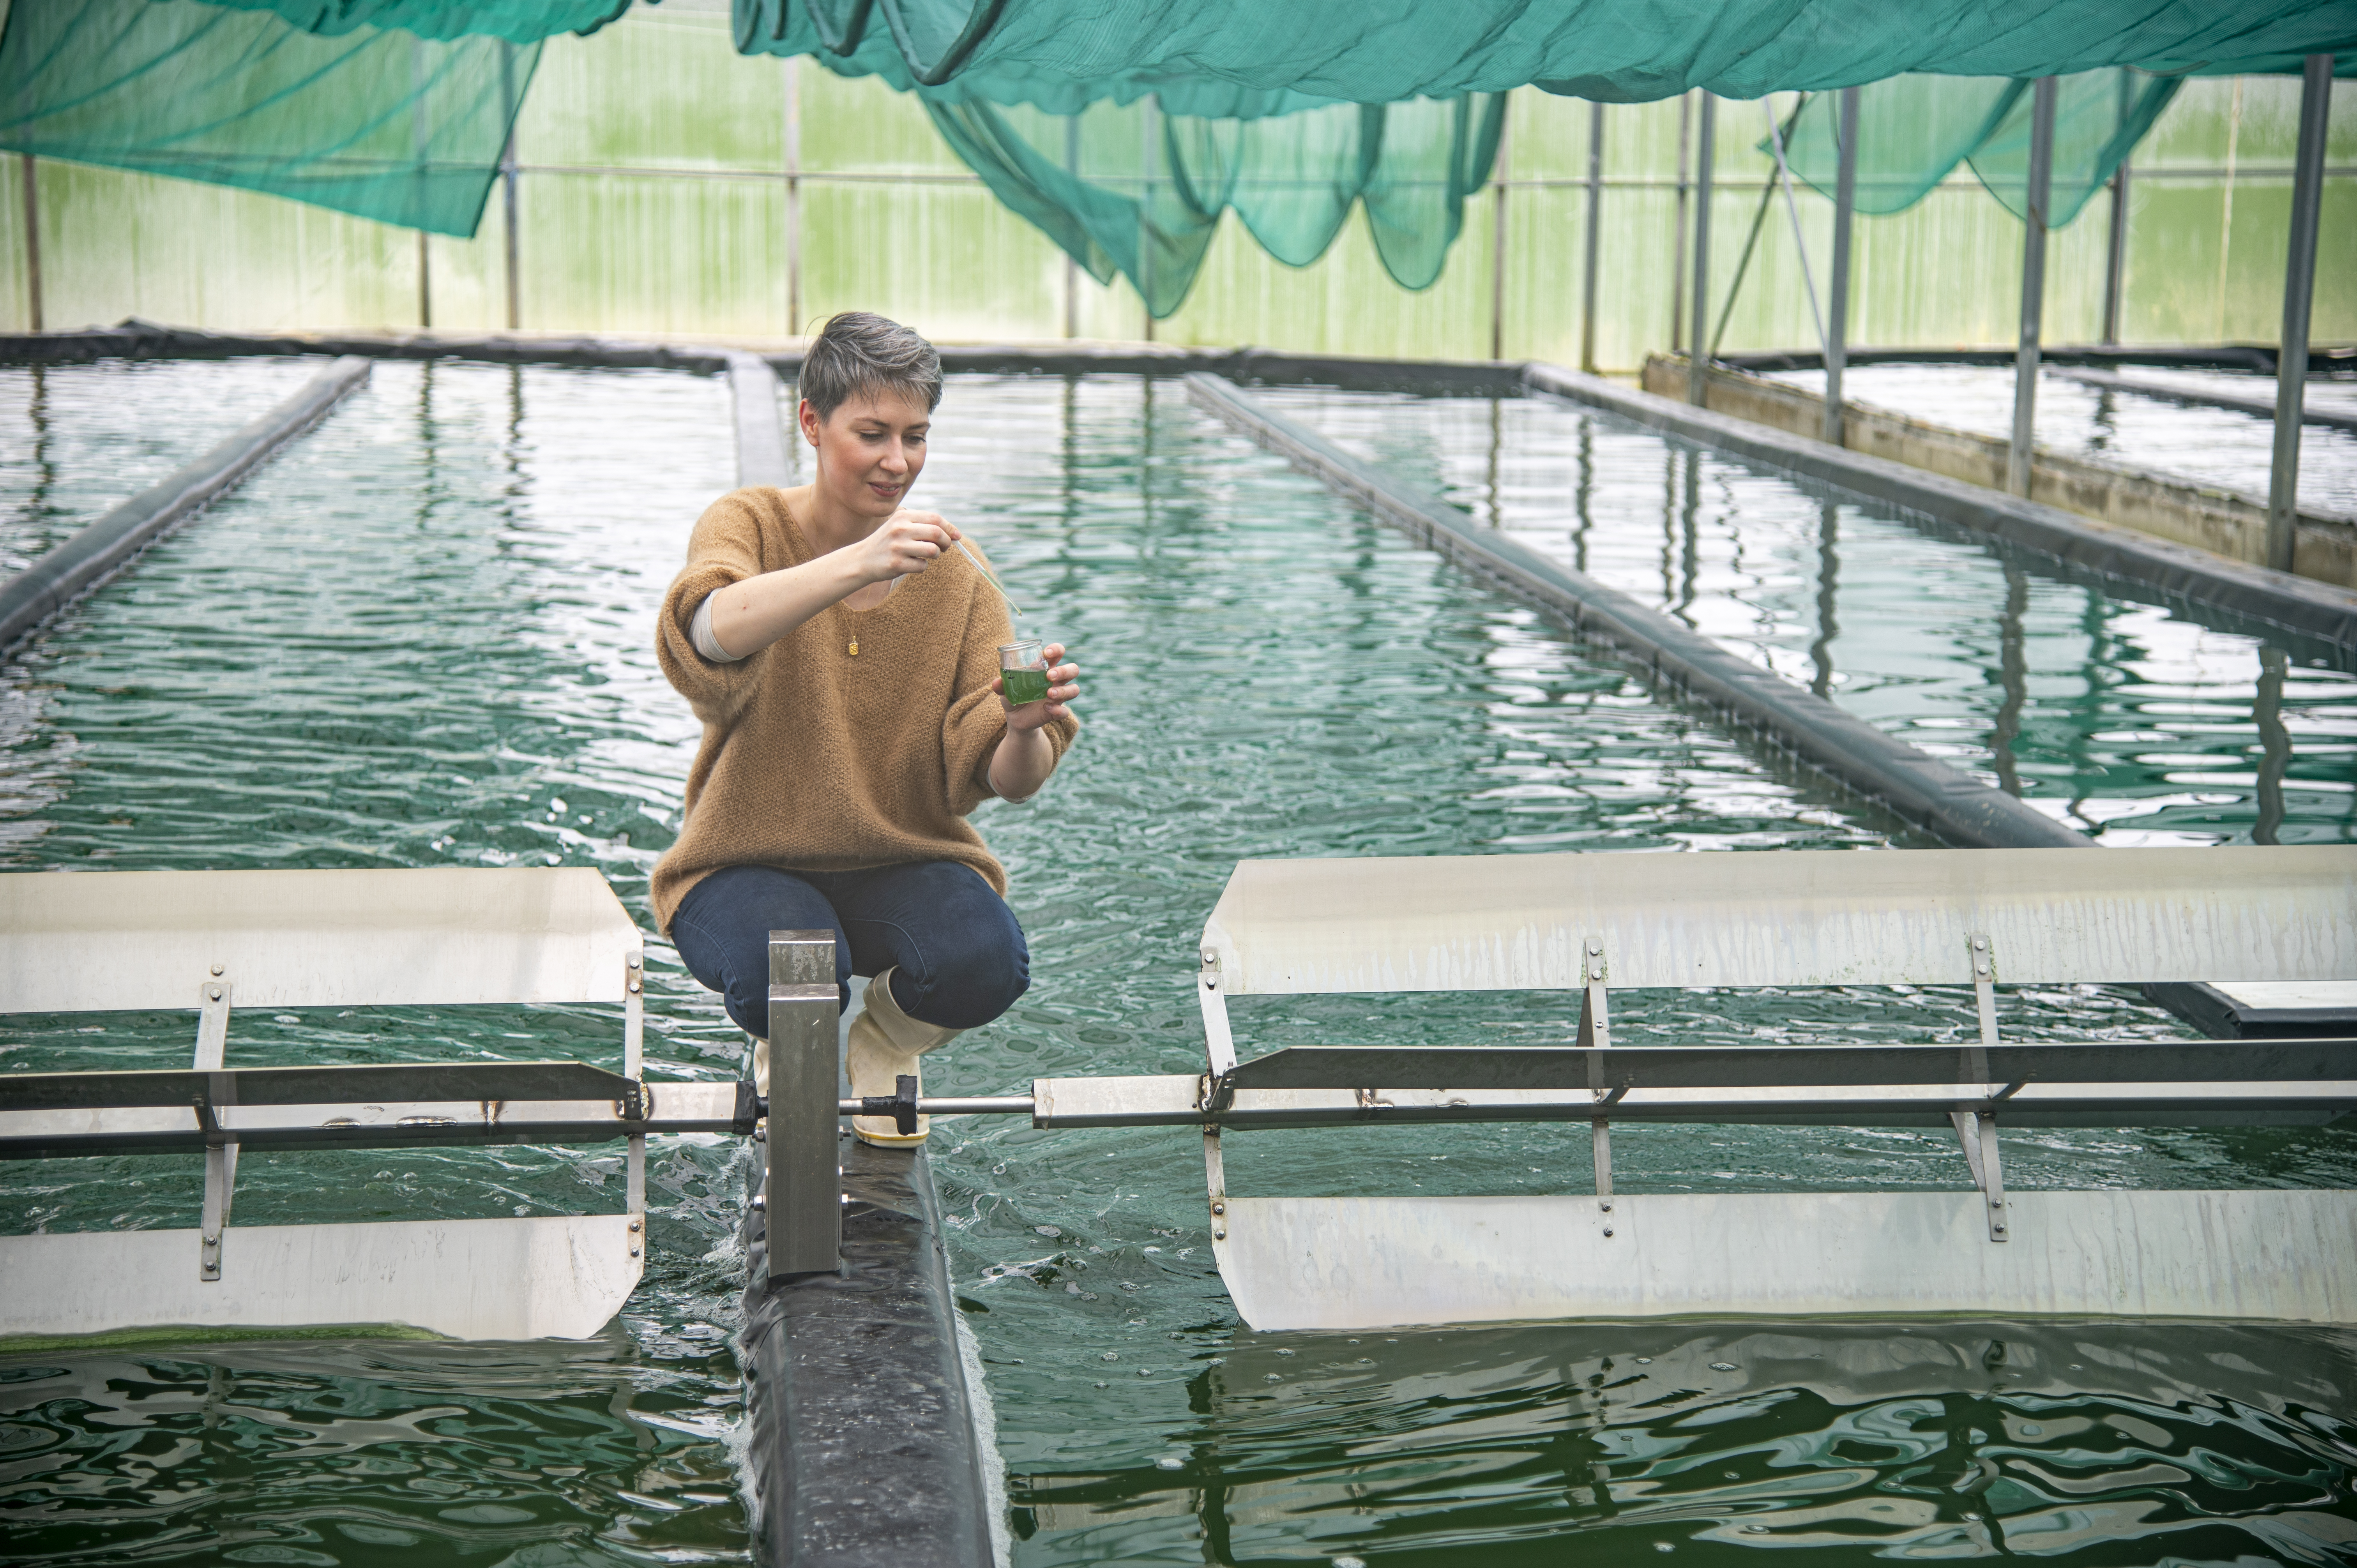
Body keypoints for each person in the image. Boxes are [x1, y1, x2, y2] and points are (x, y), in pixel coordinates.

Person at [652, 312, 1080, 1146]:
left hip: (900, 859)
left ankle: (882, 1039)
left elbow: (1008, 779)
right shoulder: (748, 523)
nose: (899, 462)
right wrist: (861, 560)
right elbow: (705, 631)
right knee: (797, 973)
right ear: (812, 423)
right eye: (873, 434)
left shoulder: (957, 573)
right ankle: (793, 1040)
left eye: (916, 437)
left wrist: (1025, 728)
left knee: (989, 961)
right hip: (745, 859)